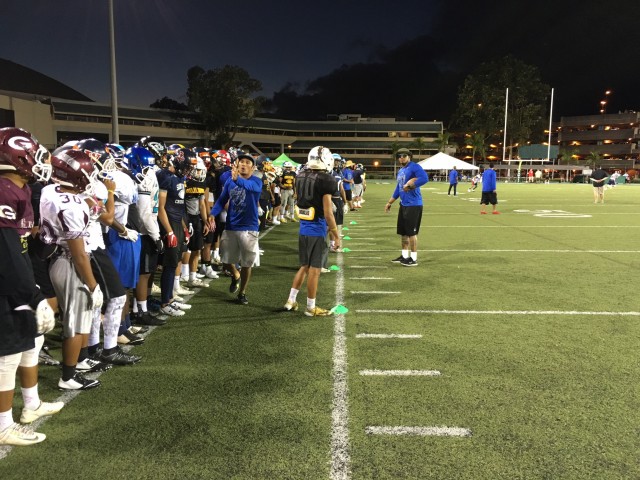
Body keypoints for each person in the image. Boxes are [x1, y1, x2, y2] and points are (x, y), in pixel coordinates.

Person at [0, 127, 60, 446]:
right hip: (5, 285)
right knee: (7, 355)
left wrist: (43, 242)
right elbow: (5, 250)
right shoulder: (3, 190)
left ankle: (31, 404)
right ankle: (2, 426)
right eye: (34, 153)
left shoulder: (19, 188)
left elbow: (20, 244)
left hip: (17, 278)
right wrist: (34, 295)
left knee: (30, 344)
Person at [284, 146, 340, 316]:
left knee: (304, 266)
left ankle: (291, 300)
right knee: (314, 271)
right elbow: (328, 212)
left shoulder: (300, 175)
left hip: (303, 229)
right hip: (317, 229)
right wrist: (336, 236)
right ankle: (310, 307)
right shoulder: (326, 179)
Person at [210, 151, 262, 305]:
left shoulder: (257, 181)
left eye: (248, 162)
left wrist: (237, 179)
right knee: (225, 260)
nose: (244, 164)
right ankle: (235, 275)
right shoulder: (230, 181)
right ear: (237, 165)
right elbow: (221, 200)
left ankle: (242, 292)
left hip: (249, 227)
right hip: (232, 225)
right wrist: (212, 214)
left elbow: (252, 188)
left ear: (253, 168)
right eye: (242, 162)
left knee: (247, 263)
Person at [384, 148, 428, 267]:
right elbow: (398, 188)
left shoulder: (414, 167)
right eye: (399, 156)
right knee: (403, 233)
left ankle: (413, 259)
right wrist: (390, 202)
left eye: (404, 155)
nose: (401, 158)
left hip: (414, 205)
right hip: (403, 204)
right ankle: (404, 256)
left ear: (409, 156)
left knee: (411, 233)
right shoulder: (401, 170)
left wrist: (411, 186)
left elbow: (424, 178)